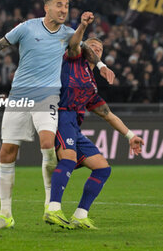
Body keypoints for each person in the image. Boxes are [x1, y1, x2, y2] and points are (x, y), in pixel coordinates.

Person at [0, 0, 113, 230]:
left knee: (48, 144)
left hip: (47, 97)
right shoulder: (26, 28)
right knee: (7, 152)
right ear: (46, 8)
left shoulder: (68, 33)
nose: (63, 10)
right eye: (59, 5)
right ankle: (5, 215)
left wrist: (101, 65)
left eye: (66, 6)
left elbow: (84, 47)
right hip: (19, 97)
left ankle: (51, 206)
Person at [43, 37, 144, 229]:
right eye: (92, 46)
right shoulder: (72, 60)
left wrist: (131, 136)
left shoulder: (91, 85)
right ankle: (53, 209)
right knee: (68, 159)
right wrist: (82, 26)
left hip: (74, 126)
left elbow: (108, 115)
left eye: (100, 48)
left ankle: (80, 215)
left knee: (102, 168)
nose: (96, 49)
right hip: (60, 115)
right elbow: (75, 43)